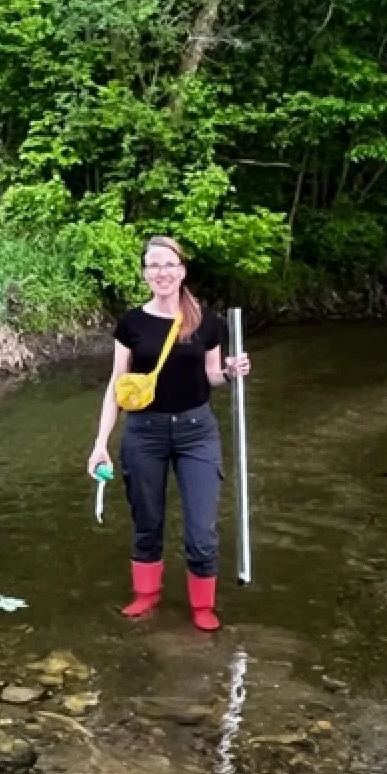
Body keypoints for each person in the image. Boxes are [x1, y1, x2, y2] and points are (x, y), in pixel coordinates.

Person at [87, 235, 250, 631]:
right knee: (148, 520)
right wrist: (100, 444)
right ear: (145, 274)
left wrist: (231, 370)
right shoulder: (131, 324)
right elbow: (116, 384)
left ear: (182, 270)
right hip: (145, 432)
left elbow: (212, 377)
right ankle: (146, 596)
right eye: (154, 265)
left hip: (197, 432)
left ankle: (202, 608)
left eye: (169, 264)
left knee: (202, 531)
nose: (162, 272)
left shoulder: (205, 321)